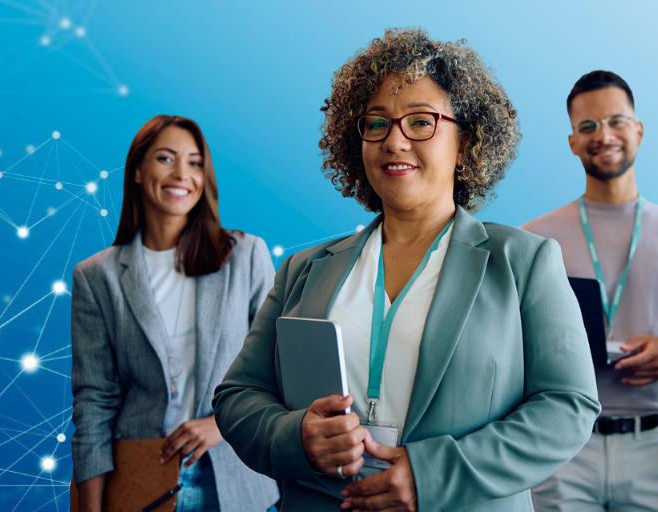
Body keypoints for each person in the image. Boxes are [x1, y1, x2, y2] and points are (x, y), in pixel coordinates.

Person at [212, 28, 600, 512]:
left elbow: (568, 407)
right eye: (377, 123)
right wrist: (297, 436)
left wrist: (431, 475)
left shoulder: (524, 261)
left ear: (466, 141)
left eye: (421, 122)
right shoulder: (303, 268)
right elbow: (238, 395)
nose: (394, 140)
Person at [522, 70, 658, 512]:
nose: (602, 135)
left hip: (650, 446)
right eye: (587, 126)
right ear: (572, 142)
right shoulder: (535, 239)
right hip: (563, 445)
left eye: (616, 121)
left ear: (638, 130)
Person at [70, 115, 279, 511]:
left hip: (237, 480)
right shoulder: (96, 276)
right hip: (138, 477)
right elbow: (94, 400)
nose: (182, 173)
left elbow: (279, 366)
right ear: (136, 170)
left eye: (195, 162)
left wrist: (222, 424)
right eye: (166, 158)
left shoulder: (246, 255)